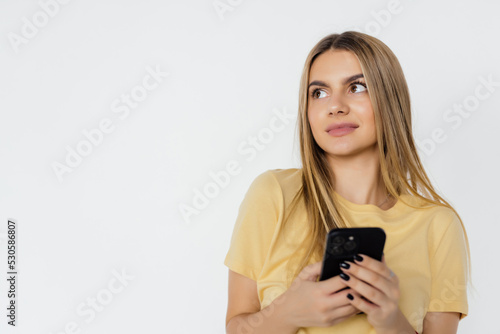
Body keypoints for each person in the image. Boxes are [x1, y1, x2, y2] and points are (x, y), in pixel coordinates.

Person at [224, 31, 470, 334]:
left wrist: (390, 320)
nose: (335, 106)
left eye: (356, 87)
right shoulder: (273, 194)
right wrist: (288, 312)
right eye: (319, 93)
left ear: (389, 98)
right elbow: (236, 327)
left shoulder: (439, 225)